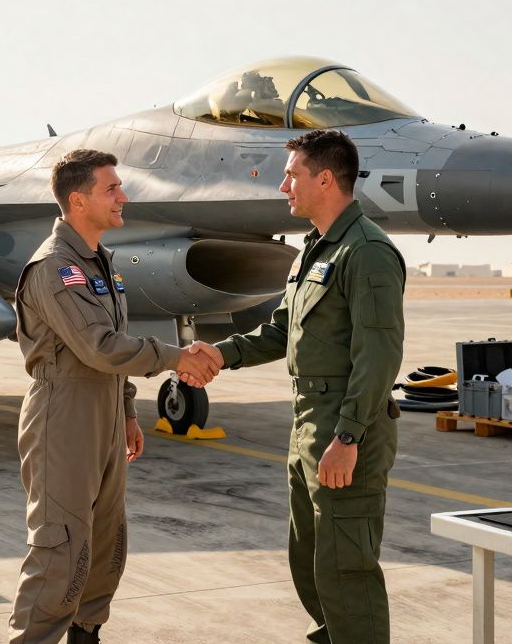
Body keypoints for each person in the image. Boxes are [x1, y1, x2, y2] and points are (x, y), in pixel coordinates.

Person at [192, 129, 405, 644]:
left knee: (347, 571)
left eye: (292, 174)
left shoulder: (367, 252)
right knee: (310, 561)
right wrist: (221, 353)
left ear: (326, 178)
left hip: (343, 427)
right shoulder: (314, 249)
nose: (283, 184)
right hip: (309, 422)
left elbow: (378, 355)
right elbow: (282, 331)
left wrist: (348, 437)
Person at [9, 148, 220, 644]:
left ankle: (87, 634)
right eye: (112, 188)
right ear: (78, 200)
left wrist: (126, 412)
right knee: (60, 549)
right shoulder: (54, 268)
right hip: (63, 415)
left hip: (103, 409)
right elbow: (99, 347)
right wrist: (176, 357)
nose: (123, 195)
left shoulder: (100, 264)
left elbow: (111, 346)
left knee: (105, 545)